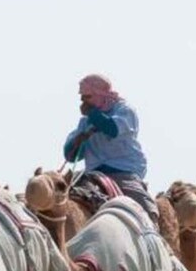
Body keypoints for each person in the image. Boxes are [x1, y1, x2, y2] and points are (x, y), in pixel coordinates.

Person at [63, 74, 158, 222]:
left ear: (99, 94)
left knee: (145, 209)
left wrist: (93, 115)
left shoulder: (124, 110)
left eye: (87, 96)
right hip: (93, 174)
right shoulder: (85, 121)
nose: (83, 102)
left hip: (122, 171)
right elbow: (70, 156)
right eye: (81, 98)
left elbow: (112, 129)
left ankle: (153, 234)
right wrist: (77, 141)